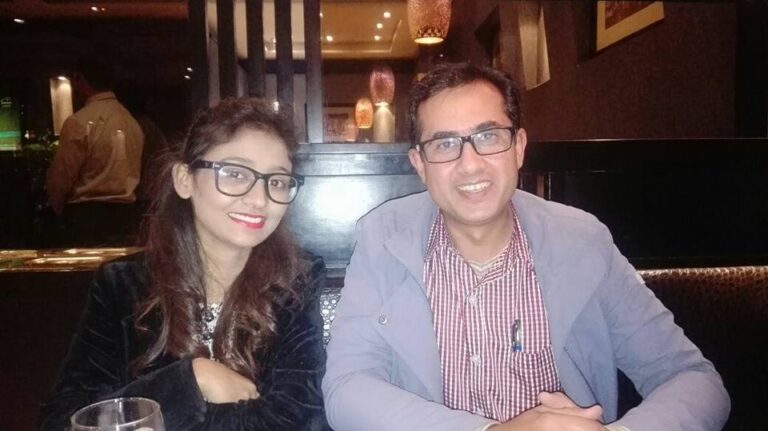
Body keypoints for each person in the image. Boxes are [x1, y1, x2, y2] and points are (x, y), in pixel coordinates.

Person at [322, 63, 729, 431]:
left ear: (518, 147)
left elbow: (694, 381)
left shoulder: (582, 242)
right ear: (419, 165)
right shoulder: (383, 241)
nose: (470, 163)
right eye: (444, 144)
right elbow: (346, 389)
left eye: (488, 136)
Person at [40, 98, 327, 430]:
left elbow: (299, 419)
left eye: (276, 181)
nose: (260, 199)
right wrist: (192, 380)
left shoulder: (295, 281)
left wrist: (154, 412)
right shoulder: (124, 285)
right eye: (235, 174)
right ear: (184, 179)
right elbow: (66, 420)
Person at [45, 54, 144, 246]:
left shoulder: (79, 122)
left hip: (87, 218)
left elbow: (61, 177)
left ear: (80, 78)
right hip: (127, 216)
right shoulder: (132, 122)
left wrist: (56, 210)